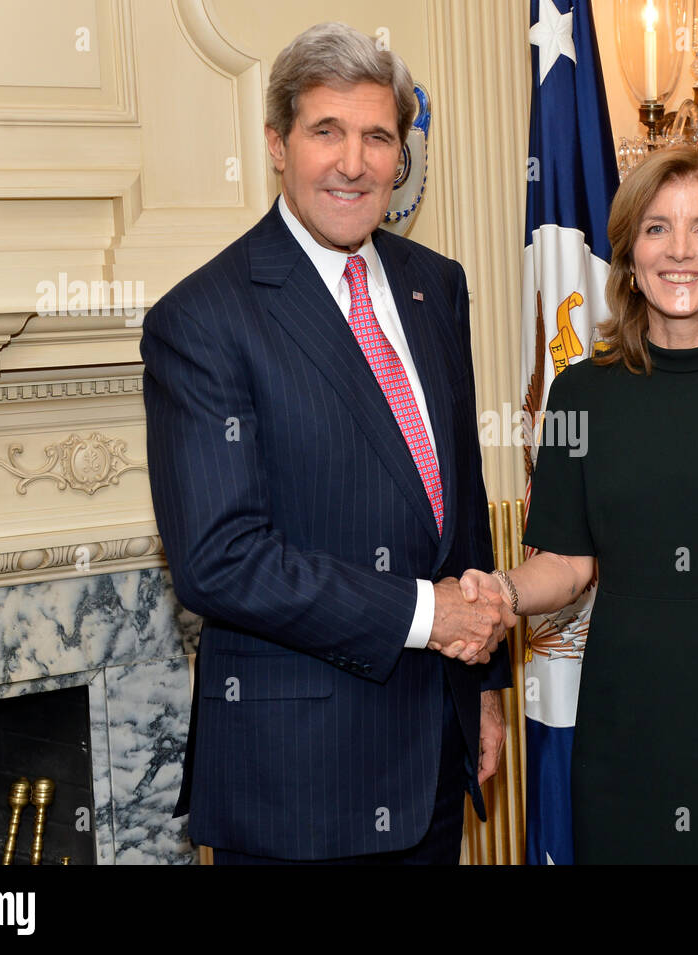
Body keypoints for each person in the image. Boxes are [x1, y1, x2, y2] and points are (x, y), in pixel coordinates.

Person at [140, 21, 515, 865]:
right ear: (277, 144)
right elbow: (219, 559)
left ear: (400, 154)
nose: (354, 162)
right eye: (327, 132)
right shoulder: (202, 320)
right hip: (298, 791)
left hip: (432, 759)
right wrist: (430, 613)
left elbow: (456, 503)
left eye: (378, 136)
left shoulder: (436, 285)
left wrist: (484, 688)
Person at [465, 147, 698, 863]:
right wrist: (500, 592)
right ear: (629, 255)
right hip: (623, 742)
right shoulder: (580, 394)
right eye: (656, 228)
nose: (680, 251)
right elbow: (566, 561)